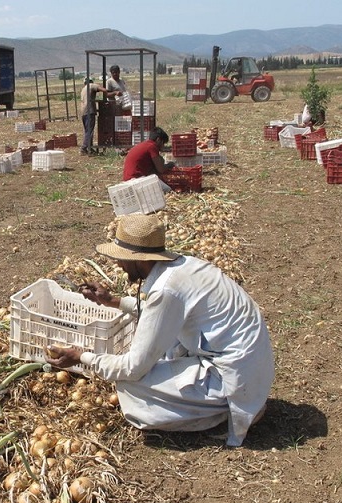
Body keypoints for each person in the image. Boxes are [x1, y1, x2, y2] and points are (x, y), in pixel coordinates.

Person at [45, 214, 274, 447]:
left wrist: (81, 357)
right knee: (166, 347)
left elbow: (132, 368)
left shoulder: (167, 290)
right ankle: (231, 402)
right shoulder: (184, 266)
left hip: (235, 377)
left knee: (129, 386)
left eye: (121, 258)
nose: (118, 264)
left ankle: (228, 411)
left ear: (139, 260)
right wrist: (113, 301)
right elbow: (164, 314)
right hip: (250, 366)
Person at [122, 127, 176, 192]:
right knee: (168, 190)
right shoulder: (152, 147)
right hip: (135, 180)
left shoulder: (145, 145)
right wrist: (169, 165)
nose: (163, 146)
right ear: (158, 140)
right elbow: (160, 169)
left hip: (127, 179)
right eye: (163, 143)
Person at [79, 77, 110, 155]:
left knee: (87, 131)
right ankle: (84, 148)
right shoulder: (91, 85)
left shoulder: (83, 89)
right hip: (89, 111)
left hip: (83, 112)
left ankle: (89, 148)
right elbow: (104, 90)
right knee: (89, 131)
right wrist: (112, 92)